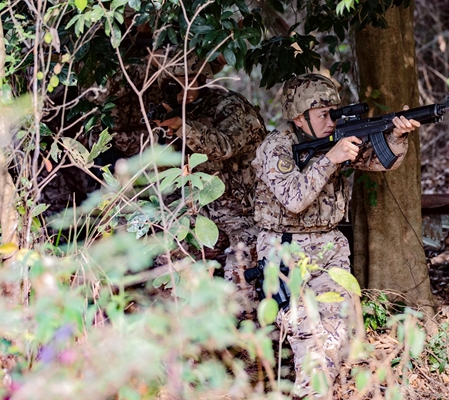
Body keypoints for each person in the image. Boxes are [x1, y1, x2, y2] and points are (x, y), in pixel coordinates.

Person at [252, 73, 420, 398]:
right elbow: (293, 198)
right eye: (322, 115)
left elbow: (380, 162)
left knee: (338, 328)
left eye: (335, 112)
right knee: (310, 334)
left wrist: (397, 136)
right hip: (286, 252)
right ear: (299, 118)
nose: (332, 121)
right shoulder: (276, 147)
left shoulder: (337, 139)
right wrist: (331, 158)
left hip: (330, 250)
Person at [153, 50, 267, 310]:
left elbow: (224, 146)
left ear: (204, 79)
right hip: (202, 208)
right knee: (169, 260)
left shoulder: (231, 106)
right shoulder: (183, 108)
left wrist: (183, 126)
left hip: (243, 208)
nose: (184, 90)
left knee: (240, 272)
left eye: (190, 81)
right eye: (177, 83)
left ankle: (247, 337)